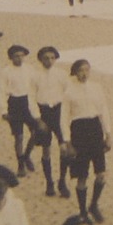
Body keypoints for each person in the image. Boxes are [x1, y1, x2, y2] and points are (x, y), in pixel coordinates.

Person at [62, 58, 111, 224]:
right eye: (80, 70)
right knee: (82, 176)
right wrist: (67, 142)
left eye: (87, 70)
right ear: (75, 72)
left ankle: (94, 204)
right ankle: (82, 211)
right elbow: (64, 118)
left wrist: (108, 134)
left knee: (101, 174)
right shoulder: (69, 92)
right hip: (78, 132)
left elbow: (103, 110)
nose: (84, 74)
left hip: (95, 130)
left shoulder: (97, 88)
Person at [0, 44, 41, 177]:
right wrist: (4, 110)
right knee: (19, 136)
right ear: (11, 57)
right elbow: (1, 91)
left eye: (22, 55)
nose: (19, 58)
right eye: (16, 56)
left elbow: (36, 86)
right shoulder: (6, 71)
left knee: (36, 132)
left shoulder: (30, 69)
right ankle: (20, 163)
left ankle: (26, 155)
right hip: (14, 104)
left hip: (29, 103)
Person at [31, 46, 69, 198]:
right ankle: (49, 182)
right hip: (43, 112)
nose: (49, 61)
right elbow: (31, 98)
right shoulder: (35, 76)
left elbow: (68, 94)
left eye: (52, 58)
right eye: (46, 58)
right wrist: (38, 119)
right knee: (46, 149)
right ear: (40, 59)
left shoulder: (61, 74)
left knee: (64, 148)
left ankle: (62, 181)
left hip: (59, 112)